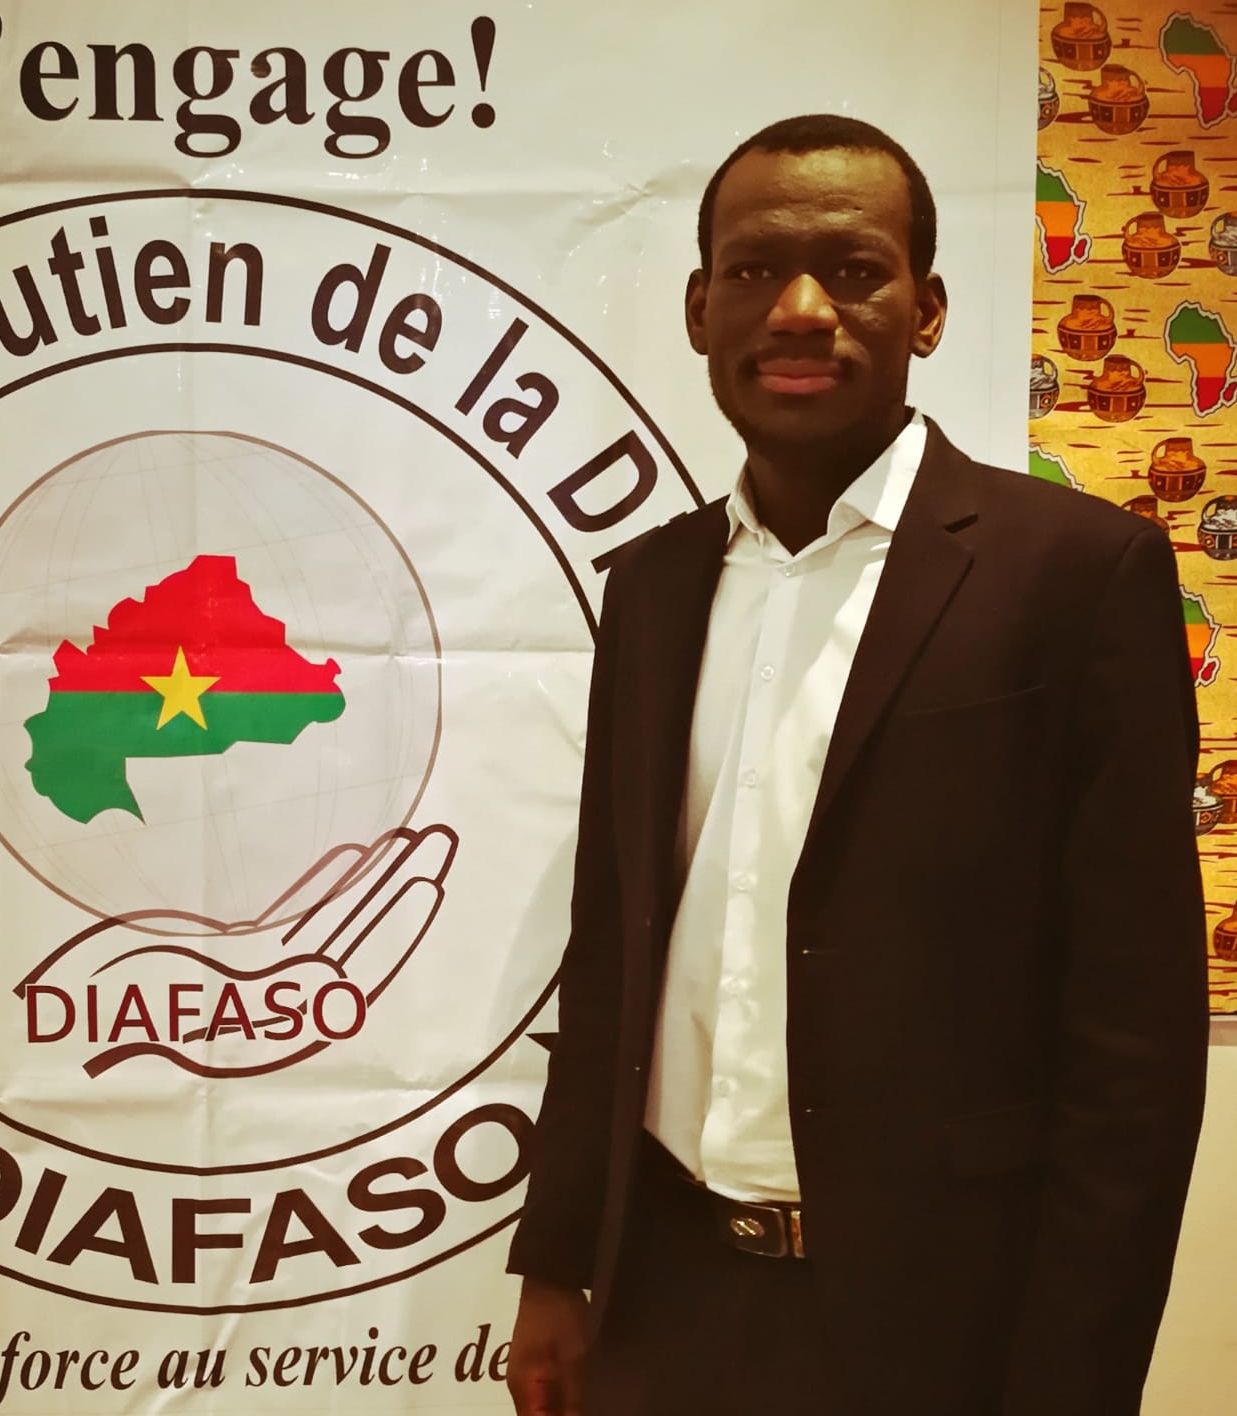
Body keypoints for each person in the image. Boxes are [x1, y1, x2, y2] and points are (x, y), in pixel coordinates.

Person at [503, 115, 1208, 1416]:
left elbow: (1136, 1052)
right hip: (665, 1299)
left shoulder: (1074, 575)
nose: (801, 309)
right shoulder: (651, 587)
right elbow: (610, 953)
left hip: (942, 1325)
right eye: (756, 270)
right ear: (701, 309)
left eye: (855, 270)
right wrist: (557, 1265)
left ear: (926, 311)